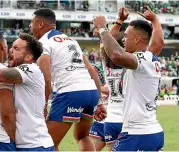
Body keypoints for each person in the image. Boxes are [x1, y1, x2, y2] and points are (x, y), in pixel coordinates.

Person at [30, 8, 106, 150]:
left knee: (47, 144)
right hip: (90, 92)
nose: (30, 27)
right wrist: (100, 101)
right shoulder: (71, 40)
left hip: (70, 92)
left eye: (31, 23)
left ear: (40, 24)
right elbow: (91, 70)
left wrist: (43, 105)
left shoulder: (43, 43)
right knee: (83, 136)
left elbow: (45, 78)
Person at [0, 33, 54, 151]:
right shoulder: (7, 70)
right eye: (11, 46)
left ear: (28, 57)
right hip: (13, 142)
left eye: (16, 48)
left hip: (35, 144)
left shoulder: (31, 69)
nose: (10, 50)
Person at [93, 6, 164, 151]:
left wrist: (102, 28)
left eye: (126, 36)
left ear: (137, 39)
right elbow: (157, 43)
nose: (123, 40)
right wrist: (155, 20)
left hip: (137, 133)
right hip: (150, 130)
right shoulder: (149, 58)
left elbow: (115, 54)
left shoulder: (140, 60)